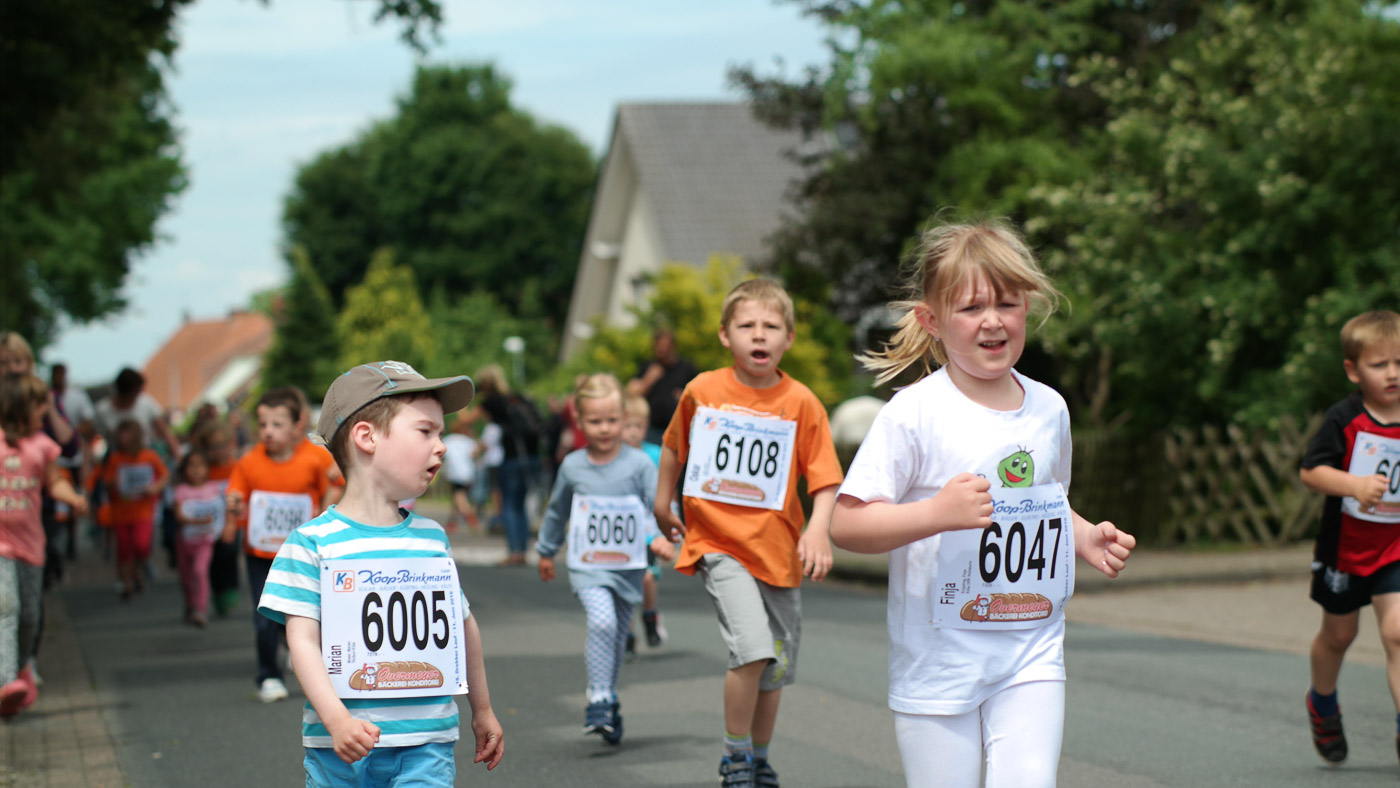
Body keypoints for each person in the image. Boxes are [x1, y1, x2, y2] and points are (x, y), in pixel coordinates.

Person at [828, 219, 1136, 788]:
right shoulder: (914, 413)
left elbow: (1044, 505)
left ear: (1027, 308)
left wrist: (1085, 536)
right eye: (971, 307)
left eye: (1007, 303)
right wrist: (935, 514)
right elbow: (846, 524)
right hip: (939, 659)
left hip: (1029, 648)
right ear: (932, 320)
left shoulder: (1049, 408)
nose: (992, 320)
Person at [257, 360, 504, 786]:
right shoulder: (311, 543)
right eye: (426, 431)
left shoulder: (432, 538)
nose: (442, 446)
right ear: (367, 437)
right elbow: (302, 644)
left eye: (440, 434)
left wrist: (482, 710)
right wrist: (336, 720)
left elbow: (462, 626)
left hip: (425, 745)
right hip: (341, 748)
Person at [653, 279, 844, 787]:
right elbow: (672, 446)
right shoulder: (702, 390)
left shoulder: (802, 402)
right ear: (725, 335)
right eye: (746, 325)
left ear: (789, 338)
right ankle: (734, 755)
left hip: (778, 553)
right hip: (718, 544)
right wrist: (660, 502)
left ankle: (759, 757)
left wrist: (818, 532)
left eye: (771, 326)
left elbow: (826, 480)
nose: (759, 334)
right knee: (753, 649)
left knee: (773, 667)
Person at [535, 374, 676, 744]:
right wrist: (546, 551)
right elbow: (557, 511)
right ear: (579, 422)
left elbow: (659, 505)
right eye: (595, 421)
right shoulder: (573, 466)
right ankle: (597, 698)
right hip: (588, 566)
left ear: (624, 417)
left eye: (612, 420)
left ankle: (609, 698)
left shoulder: (639, 464)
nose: (605, 428)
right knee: (601, 623)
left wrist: (664, 536)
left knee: (615, 635)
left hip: (629, 567)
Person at [1297, 309, 1400, 767]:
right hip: (1346, 549)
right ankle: (1322, 703)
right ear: (1353, 370)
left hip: (1395, 546)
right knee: (1339, 635)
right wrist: (1354, 485)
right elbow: (1311, 472)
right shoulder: (1345, 417)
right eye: (1380, 365)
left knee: (1398, 632)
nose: (1393, 373)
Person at [222, 387, 330, 703]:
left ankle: (304, 653)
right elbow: (235, 496)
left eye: (277, 424)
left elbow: (334, 487)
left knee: (308, 611)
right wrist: (233, 512)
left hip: (303, 553)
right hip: (261, 554)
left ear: (297, 427)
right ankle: (269, 675)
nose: (268, 431)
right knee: (265, 615)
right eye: (263, 424)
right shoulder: (248, 462)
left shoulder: (315, 459)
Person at [0, 374, 87, 717]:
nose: (45, 411)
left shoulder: (40, 445)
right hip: (1, 546)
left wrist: (74, 498)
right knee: (6, 608)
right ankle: (6, 682)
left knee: (30, 617)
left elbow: (54, 482)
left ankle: (21, 668)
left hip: (30, 544)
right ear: (19, 406)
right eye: (40, 405)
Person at [469, 364, 540, 566]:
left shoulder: (491, 401)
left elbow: (465, 420)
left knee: (509, 504)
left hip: (511, 458)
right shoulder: (517, 398)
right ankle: (522, 551)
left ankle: (513, 551)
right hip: (532, 458)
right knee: (520, 505)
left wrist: (467, 400)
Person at [97, 417, 168, 600]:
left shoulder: (149, 456)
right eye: (121, 433)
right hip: (121, 511)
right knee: (124, 548)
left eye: (127, 432)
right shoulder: (115, 458)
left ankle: (136, 571)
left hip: (143, 510)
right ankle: (126, 581)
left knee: (142, 545)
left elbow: (164, 475)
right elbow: (107, 481)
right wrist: (116, 483)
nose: (124, 437)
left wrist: (154, 488)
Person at [623, 394, 666, 650]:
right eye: (627, 426)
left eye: (637, 426)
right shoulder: (614, 457)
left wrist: (668, 525)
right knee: (625, 585)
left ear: (646, 426)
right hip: (622, 531)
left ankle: (650, 615)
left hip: (648, 529)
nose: (632, 432)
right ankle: (627, 634)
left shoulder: (655, 454)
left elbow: (665, 491)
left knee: (648, 577)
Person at [49, 363, 96, 565]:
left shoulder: (77, 397)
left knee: (72, 498)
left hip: (72, 458)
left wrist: (73, 434)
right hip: (53, 459)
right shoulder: (47, 396)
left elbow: (88, 425)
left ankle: (71, 537)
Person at [172, 449, 224, 628]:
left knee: (200, 571)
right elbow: (179, 516)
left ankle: (200, 610)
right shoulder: (181, 490)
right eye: (191, 465)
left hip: (205, 541)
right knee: (186, 577)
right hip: (185, 541)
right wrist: (198, 521)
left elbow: (222, 512)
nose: (196, 470)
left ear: (208, 468)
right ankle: (190, 603)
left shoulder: (214, 488)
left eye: (200, 465)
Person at [195, 421, 242, 616]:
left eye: (223, 445)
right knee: (212, 560)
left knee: (230, 554)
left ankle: (231, 589)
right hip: (208, 525)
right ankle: (218, 591)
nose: (219, 451)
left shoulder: (237, 467)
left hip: (233, 522)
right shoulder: (204, 471)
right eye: (213, 447)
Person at [627, 327, 698, 446]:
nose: (662, 350)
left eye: (665, 346)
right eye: (659, 346)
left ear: (673, 346)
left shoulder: (686, 368)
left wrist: (685, 398)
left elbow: (698, 397)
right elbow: (631, 394)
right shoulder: (648, 366)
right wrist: (648, 380)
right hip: (651, 429)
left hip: (676, 428)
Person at [93, 367, 177, 456]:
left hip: (145, 453)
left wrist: (177, 455)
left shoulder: (146, 403)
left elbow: (164, 431)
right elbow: (90, 437)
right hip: (117, 456)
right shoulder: (102, 411)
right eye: (138, 391)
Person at [442, 416, 480, 532]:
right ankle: (452, 522)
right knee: (458, 497)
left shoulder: (448, 440)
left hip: (453, 472)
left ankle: (469, 514)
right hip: (467, 473)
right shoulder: (468, 441)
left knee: (459, 496)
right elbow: (475, 454)